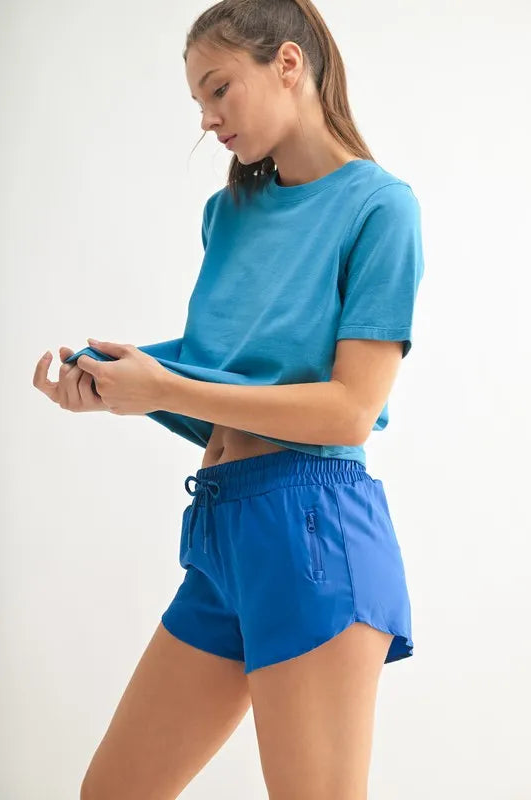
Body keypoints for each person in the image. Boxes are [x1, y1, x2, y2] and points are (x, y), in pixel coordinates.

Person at [33, 1, 425, 797]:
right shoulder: (228, 214)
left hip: (311, 533)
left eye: (219, 89)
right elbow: (229, 385)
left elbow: (349, 410)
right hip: (221, 535)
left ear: (288, 64)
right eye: (197, 102)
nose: (207, 119)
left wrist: (164, 384)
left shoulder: (380, 208)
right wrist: (122, 388)